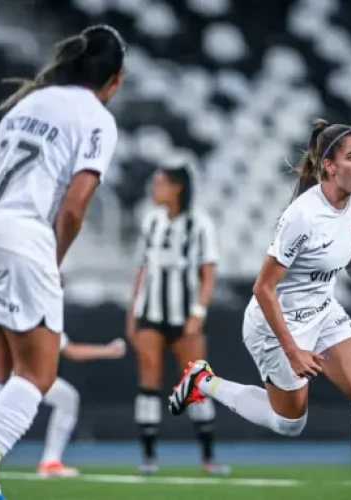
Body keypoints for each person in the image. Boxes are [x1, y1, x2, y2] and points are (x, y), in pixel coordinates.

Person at [0, 24, 126, 500]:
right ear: (116, 79)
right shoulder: (97, 117)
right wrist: (55, 259)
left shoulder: (31, 102)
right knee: (38, 375)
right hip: (19, 235)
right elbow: (73, 206)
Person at [169, 120, 351, 500]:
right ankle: (203, 382)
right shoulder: (301, 216)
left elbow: (348, 249)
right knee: (289, 424)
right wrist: (293, 350)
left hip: (323, 310)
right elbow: (264, 287)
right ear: (329, 166)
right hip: (275, 326)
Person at [127, 164, 228, 475]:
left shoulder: (200, 224)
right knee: (148, 383)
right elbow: (142, 269)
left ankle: (208, 458)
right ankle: (148, 458)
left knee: (195, 384)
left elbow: (208, 273)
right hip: (151, 314)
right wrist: (133, 312)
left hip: (185, 315)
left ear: (177, 188)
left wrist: (198, 313)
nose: (155, 189)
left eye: (160, 184)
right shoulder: (151, 222)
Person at [0, 335, 126, 478]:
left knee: (66, 396)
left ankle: (51, 462)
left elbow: (69, 349)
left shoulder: (41, 303)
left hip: (22, 375)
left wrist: (108, 351)